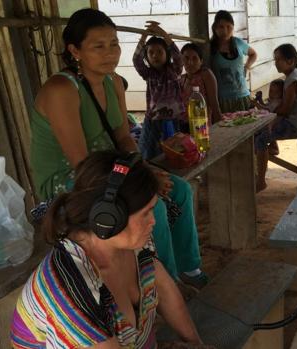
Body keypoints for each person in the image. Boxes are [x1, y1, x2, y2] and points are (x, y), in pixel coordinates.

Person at [29, 8, 207, 289]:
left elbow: (124, 137)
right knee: (152, 206)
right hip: (72, 178)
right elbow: (81, 162)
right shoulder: (61, 89)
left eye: (114, 44)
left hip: (113, 167)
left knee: (180, 190)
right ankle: (166, 285)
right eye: (98, 46)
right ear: (75, 50)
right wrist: (139, 178)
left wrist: (145, 168)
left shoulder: (113, 83)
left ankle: (190, 269)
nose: (110, 53)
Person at [11, 150, 201, 347]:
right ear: (108, 218)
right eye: (146, 213)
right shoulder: (73, 292)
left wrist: (197, 344)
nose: (153, 221)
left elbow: (163, 289)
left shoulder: (132, 243)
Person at [255, 43, 297, 192]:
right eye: (275, 59)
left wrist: (269, 113)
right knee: (258, 132)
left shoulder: (293, 80)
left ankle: (261, 180)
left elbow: (285, 110)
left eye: (278, 59)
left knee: (259, 138)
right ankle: (266, 151)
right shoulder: (294, 76)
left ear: (290, 61)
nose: (276, 63)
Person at [133, 20, 186, 159]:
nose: (155, 55)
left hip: (174, 118)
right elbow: (136, 60)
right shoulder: (148, 74)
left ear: (167, 54)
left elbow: (178, 56)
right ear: (147, 57)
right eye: (151, 53)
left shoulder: (174, 71)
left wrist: (163, 34)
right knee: (149, 151)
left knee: (173, 149)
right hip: (154, 120)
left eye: (159, 52)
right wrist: (144, 36)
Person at [210, 10, 257, 113]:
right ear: (215, 28)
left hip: (243, 96)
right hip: (223, 100)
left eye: (229, 27)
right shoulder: (210, 48)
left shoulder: (238, 43)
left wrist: (247, 66)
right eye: (221, 27)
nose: (225, 31)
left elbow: (253, 54)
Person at [180, 42, 222, 124]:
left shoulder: (206, 75)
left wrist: (220, 128)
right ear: (181, 60)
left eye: (195, 58)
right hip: (184, 125)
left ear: (201, 61)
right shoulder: (181, 79)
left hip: (201, 126)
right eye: (186, 58)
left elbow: (214, 104)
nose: (190, 62)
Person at [254, 79, 285, 156]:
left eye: (276, 92)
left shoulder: (278, 102)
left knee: (258, 132)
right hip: (271, 123)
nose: (272, 94)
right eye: (271, 91)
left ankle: (270, 149)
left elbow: (267, 110)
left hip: (275, 124)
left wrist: (256, 104)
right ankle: (272, 147)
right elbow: (265, 106)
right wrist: (260, 99)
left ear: (282, 93)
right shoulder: (273, 100)